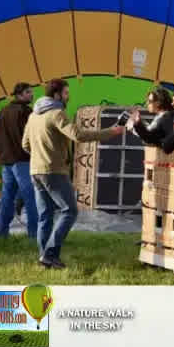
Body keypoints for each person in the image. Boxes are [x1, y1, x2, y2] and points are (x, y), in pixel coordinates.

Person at [22, 78, 123, 269]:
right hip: (54, 171)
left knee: (45, 216)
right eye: (66, 93)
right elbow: (78, 135)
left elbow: (25, 145)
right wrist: (110, 132)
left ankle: (44, 257)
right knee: (70, 211)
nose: (68, 97)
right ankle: (50, 254)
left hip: (35, 171)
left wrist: (41, 155)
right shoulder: (57, 113)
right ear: (57, 94)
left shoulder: (33, 115)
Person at [0, 82, 37, 239]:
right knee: (32, 197)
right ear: (19, 95)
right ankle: (34, 235)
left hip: (7, 161)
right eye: (28, 92)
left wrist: (1, 154)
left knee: (7, 197)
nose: (31, 95)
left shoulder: (3, 111)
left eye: (31, 92)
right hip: (22, 160)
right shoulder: (26, 112)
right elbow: (31, 137)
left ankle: (2, 232)